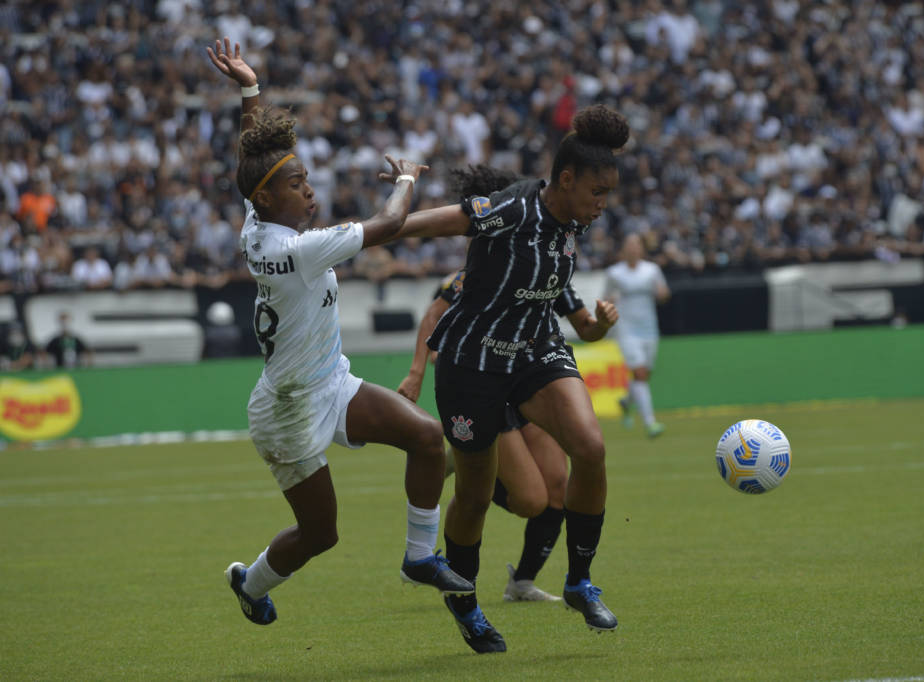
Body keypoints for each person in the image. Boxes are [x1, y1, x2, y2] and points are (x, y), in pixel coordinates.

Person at [205, 38, 473, 632]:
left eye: (305, 178)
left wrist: (250, 90)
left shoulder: (256, 224)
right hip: (287, 410)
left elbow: (255, 159)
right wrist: (406, 179)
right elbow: (391, 223)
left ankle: (420, 558)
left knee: (427, 438)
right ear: (267, 197)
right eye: (295, 183)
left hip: (330, 382)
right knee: (321, 533)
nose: (308, 189)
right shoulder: (301, 249)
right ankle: (250, 583)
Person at [392, 106, 632, 651]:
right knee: (475, 497)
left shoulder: (572, 224)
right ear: (565, 179)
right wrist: (357, 235)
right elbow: (432, 223)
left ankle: (579, 582)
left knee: (590, 448)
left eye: (608, 193)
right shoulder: (514, 208)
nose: (603, 204)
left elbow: (583, 328)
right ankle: (465, 602)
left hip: (535, 352)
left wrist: (597, 327)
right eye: (597, 192)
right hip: (472, 364)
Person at [398, 258, 618, 605]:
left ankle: (522, 582)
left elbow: (587, 328)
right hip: (486, 382)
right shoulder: (486, 267)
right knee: (529, 501)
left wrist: (602, 325)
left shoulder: (553, 270)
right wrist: (416, 372)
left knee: (557, 489)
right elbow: (433, 316)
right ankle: (469, 464)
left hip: (533, 377)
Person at [604, 233, 671, 438]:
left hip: (649, 328)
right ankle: (650, 423)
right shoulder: (614, 273)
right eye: (629, 245)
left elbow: (664, 294)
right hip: (626, 329)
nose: (633, 248)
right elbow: (605, 299)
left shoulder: (652, 270)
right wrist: (610, 301)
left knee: (644, 375)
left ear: (641, 248)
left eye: (636, 245)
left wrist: (662, 293)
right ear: (623, 249)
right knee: (640, 373)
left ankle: (626, 401)